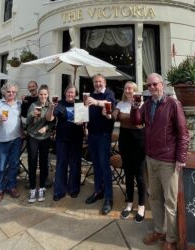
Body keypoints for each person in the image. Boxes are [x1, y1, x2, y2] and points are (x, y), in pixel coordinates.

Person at [130, 73, 189, 250]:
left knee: (170, 202)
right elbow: (137, 122)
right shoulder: (147, 105)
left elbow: (183, 133)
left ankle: (170, 239)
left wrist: (181, 158)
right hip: (151, 158)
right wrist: (134, 107)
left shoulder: (173, 104)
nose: (152, 88)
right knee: (154, 197)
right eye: (149, 86)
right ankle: (159, 230)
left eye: (155, 84)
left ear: (162, 85)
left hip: (168, 160)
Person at [108, 81, 146, 223]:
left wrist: (128, 115)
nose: (128, 90)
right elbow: (115, 116)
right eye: (126, 88)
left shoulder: (142, 105)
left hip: (139, 140)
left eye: (131, 88)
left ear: (136, 90)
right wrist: (109, 114)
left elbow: (139, 122)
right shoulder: (120, 104)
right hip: (125, 140)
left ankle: (141, 205)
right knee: (128, 174)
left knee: (140, 175)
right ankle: (129, 203)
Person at [84, 74, 116, 215]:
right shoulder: (90, 95)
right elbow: (85, 112)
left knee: (104, 166)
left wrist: (96, 102)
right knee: (96, 165)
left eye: (100, 81)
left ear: (104, 82)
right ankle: (98, 191)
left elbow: (108, 105)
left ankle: (109, 198)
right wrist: (82, 121)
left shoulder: (109, 94)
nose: (98, 84)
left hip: (104, 135)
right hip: (92, 135)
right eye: (95, 82)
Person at [46, 85, 84, 201]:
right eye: (68, 92)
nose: (70, 94)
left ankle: (74, 189)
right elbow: (49, 119)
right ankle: (59, 191)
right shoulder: (59, 103)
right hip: (62, 138)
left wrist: (82, 121)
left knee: (75, 164)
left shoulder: (80, 103)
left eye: (72, 93)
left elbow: (84, 120)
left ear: (75, 94)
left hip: (76, 138)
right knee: (61, 164)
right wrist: (51, 108)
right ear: (65, 93)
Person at [0, 82, 23, 203]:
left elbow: (21, 120)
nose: (11, 94)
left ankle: (11, 187)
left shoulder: (19, 104)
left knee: (14, 165)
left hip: (16, 139)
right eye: (9, 91)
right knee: (1, 166)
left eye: (13, 92)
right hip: (1, 140)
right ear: (4, 92)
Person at [26, 84, 55, 203]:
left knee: (44, 163)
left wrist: (46, 128)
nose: (43, 96)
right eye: (41, 94)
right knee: (32, 161)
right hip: (32, 136)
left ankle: (42, 187)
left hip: (45, 137)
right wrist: (32, 116)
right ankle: (33, 188)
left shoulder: (50, 106)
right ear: (38, 95)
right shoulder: (33, 105)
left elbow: (53, 122)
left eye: (45, 94)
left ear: (48, 95)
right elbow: (27, 122)